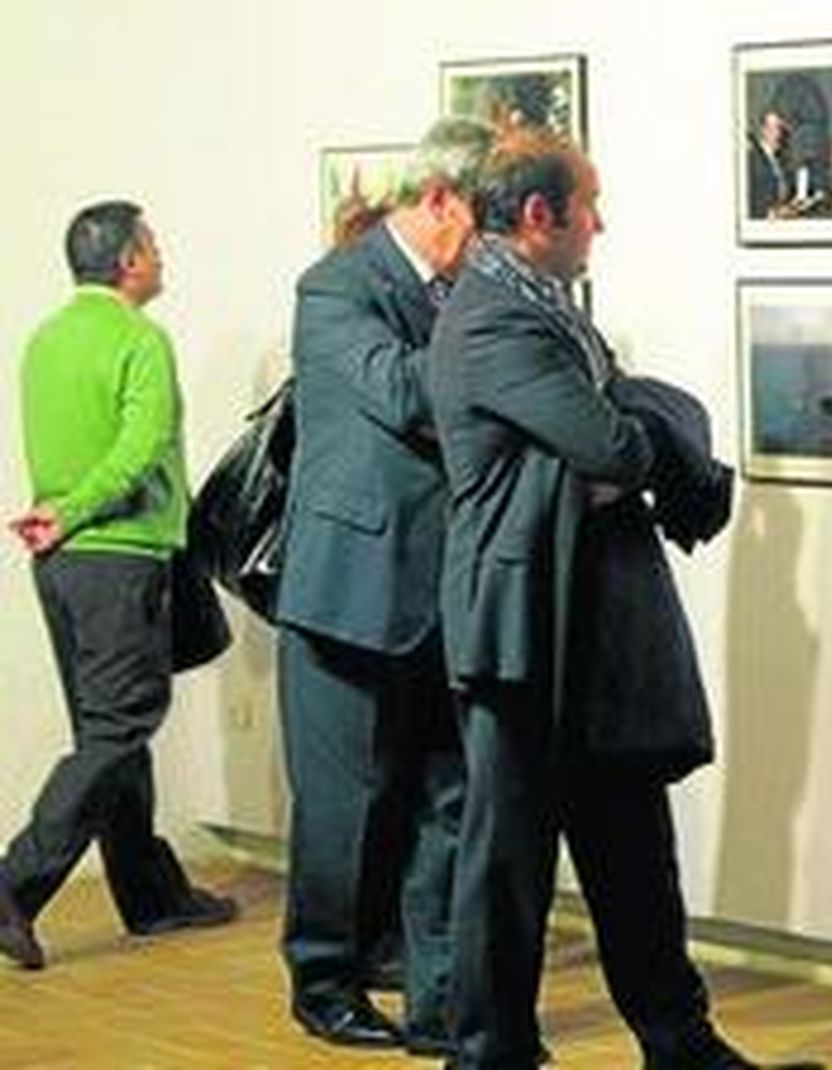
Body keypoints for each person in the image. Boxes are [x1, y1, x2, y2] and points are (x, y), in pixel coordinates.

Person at [427, 131, 821, 1070]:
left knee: (634, 855)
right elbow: (617, 445)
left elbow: (608, 435)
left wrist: (619, 430)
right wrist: (626, 433)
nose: (600, 223)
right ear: (538, 216)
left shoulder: (545, 309)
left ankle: (681, 1046)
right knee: (507, 867)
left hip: (587, 629)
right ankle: (487, 1056)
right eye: (588, 205)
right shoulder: (494, 319)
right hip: (524, 634)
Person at [275, 117, 493, 1054]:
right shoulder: (335, 286)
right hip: (350, 596)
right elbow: (406, 395)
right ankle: (324, 982)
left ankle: (432, 990)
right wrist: (507, 360)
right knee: (345, 809)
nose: (490, 246)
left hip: (448, 592)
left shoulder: (462, 290)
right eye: (482, 221)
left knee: (450, 799)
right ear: (440, 199)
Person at [0, 201, 238, 971]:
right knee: (117, 728)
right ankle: (14, 882)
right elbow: (138, 452)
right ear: (128, 261)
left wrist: (60, 515)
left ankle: (151, 894)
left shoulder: (44, 340)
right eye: (154, 245)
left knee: (109, 730)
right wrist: (76, 510)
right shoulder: (140, 337)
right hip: (118, 555)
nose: (162, 256)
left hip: (60, 563)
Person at [747, 108, 793, 219]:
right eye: (770, 128)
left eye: (778, 128)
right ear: (763, 130)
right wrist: (771, 213)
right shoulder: (753, 160)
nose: (775, 133)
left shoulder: (780, 160)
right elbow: (751, 199)